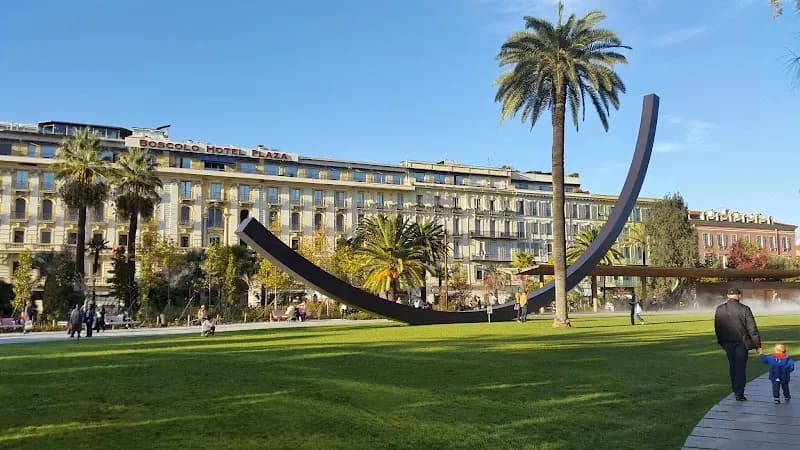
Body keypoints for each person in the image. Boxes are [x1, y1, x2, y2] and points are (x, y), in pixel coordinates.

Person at [714, 288, 762, 401]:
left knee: (732, 366)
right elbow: (752, 329)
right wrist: (758, 346)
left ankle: (735, 389)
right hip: (742, 342)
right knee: (740, 368)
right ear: (739, 296)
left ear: (727, 296)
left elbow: (717, 327)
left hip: (727, 342)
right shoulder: (745, 309)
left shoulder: (720, 309)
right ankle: (739, 393)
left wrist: (721, 342)